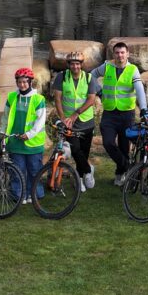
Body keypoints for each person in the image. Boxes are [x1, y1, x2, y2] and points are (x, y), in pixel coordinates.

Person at [92, 41, 148, 183]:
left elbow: (140, 90)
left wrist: (144, 109)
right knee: (108, 142)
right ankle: (127, 166)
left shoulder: (133, 70)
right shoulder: (107, 66)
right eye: (117, 52)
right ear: (113, 54)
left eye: (122, 52)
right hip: (109, 113)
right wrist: (99, 92)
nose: (120, 55)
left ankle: (120, 175)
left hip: (126, 114)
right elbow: (91, 76)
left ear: (127, 54)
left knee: (124, 146)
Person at [50, 53, 98, 191]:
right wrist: (63, 117)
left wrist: (77, 113)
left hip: (86, 122)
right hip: (70, 124)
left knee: (84, 152)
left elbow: (91, 99)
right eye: (72, 64)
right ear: (68, 65)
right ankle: (89, 170)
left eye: (77, 64)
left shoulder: (89, 78)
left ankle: (80, 178)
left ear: (81, 65)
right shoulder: (62, 77)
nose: (75, 66)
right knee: (76, 150)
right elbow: (58, 99)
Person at [3, 67, 49, 202]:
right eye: (19, 82)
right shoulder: (11, 97)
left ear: (30, 82)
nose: (22, 84)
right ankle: (19, 195)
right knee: (17, 170)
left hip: (33, 143)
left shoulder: (38, 99)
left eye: (25, 82)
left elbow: (40, 121)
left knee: (34, 170)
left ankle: (34, 194)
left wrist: (29, 134)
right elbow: (6, 118)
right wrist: (4, 136)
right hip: (15, 141)